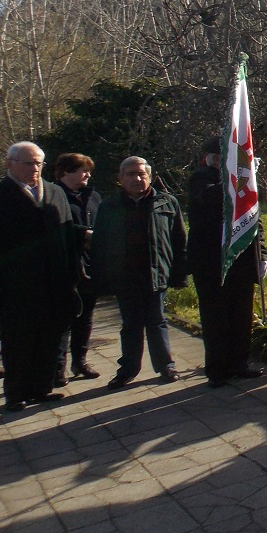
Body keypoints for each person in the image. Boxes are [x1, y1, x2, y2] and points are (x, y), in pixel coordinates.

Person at [0, 142, 80, 412]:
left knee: (48, 338)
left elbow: (67, 236)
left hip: (53, 282)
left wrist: (73, 275)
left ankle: (42, 388)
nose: (35, 168)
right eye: (29, 163)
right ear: (10, 164)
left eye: (39, 163)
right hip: (15, 286)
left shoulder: (55, 192)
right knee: (18, 342)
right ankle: (16, 393)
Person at [92, 156, 188, 388]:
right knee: (131, 325)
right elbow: (99, 245)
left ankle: (166, 366)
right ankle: (128, 369)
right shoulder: (109, 206)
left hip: (155, 273)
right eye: (130, 174)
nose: (136, 179)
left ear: (150, 177)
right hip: (125, 275)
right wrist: (101, 281)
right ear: (121, 178)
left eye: (141, 174)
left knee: (157, 321)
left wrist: (180, 274)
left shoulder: (167, 203)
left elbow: (179, 240)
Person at [188, 138, 266, 387]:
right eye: (221, 157)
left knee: (241, 314)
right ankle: (217, 369)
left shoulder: (244, 183)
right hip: (212, 261)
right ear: (210, 158)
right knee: (215, 317)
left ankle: (239, 363)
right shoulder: (201, 178)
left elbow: (254, 219)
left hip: (241, 259)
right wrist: (240, 178)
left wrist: (262, 256)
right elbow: (209, 198)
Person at [53, 153, 101, 382]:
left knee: (86, 317)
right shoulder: (53, 195)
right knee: (63, 318)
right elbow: (54, 228)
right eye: (83, 170)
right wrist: (84, 233)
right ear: (66, 172)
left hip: (90, 265)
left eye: (89, 171)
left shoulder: (93, 196)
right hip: (64, 266)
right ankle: (57, 369)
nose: (88, 175)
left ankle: (80, 362)